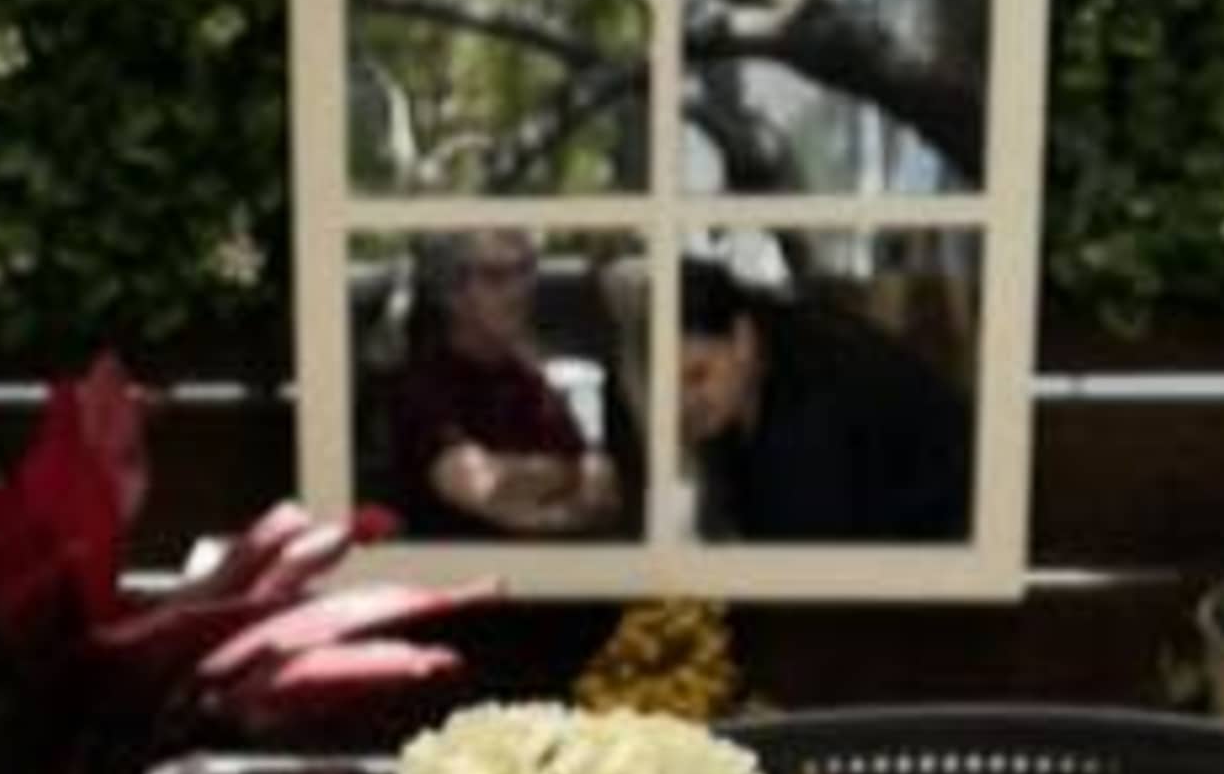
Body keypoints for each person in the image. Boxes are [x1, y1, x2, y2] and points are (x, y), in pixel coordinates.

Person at [673, 258, 974, 545]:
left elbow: (807, 567)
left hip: (962, 552)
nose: (684, 403)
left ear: (744, 340)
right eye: (669, 385)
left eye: (698, 375)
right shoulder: (767, 353)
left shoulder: (812, 402)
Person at [382, 232, 622, 537]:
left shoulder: (523, 372)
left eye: (525, 270)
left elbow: (600, 483)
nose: (519, 291)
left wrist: (548, 483)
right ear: (451, 295)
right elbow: (481, 485)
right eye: (495, 277)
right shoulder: (423, 386)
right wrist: (567, 475)